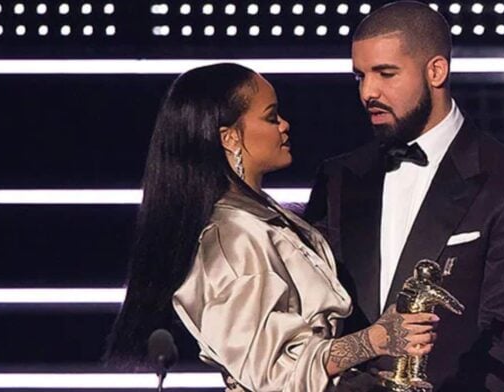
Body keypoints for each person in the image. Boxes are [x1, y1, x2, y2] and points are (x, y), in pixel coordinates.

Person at [104, 63, 440, 391]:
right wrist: (376, 339)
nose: (284, 125)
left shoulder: (263, 219)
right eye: (271, 116)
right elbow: (274, 374)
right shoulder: (232, 237)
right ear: (230, 138)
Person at [305, 2, 504, 391]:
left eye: (385, 74)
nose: (368, 91)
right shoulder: (339, 176)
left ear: (436, 71)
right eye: (360, 76)